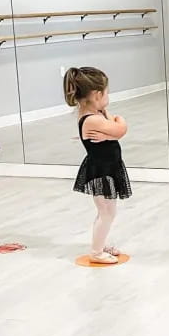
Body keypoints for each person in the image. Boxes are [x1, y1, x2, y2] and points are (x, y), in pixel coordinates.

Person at [64, 67, 131, 265]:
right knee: (106, 212)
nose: (108, 96)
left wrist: (109, 130)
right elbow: (121, 128)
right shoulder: (92, 119)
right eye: (106, 92)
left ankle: (100, 245)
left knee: (108, 211)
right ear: (96, 94)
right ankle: (96, 252)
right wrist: (118, 123)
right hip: (101, 171)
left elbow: (114, 129)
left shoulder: (95, 114)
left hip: (108, 168)